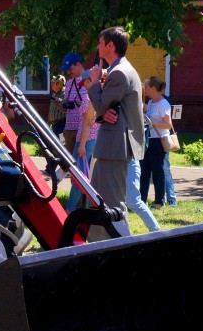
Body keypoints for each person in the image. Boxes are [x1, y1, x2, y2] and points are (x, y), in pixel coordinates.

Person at [82, 26, 145, 240]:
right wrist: (104, 112)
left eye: (100, 42)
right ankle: (98, 245)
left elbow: (100, 106)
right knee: (98, 199)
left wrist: (93, 82)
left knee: (111, 202)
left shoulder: (118, 72)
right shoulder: (121, 69)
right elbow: (108, 110)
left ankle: (124, 246)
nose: (97, 46)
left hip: (115, 146)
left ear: (110, 45)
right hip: (113, 145)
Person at [66, 77, 100, 211]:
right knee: (87, 176)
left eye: (85, 83)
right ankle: (86, 207)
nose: (83, 87)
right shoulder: (100, 97)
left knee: (79, 178)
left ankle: (70, 209)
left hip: (85, 141)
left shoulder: (88, 98)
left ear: (91, 81)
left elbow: (87, 122)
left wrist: (81, 145)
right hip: (93, 139)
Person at [140, 76, 173, 207]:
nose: (144, 89)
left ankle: (159, 201)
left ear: (153, 88)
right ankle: (142, 200)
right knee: (144, 171)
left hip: (158, 141)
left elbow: (168, 125)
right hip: (148, 139)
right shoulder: (150, 102)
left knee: (157, 171)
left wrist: (152, 122)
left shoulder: (163, 104)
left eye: (146, 86)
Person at [60, 52, 88, 157]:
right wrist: (61, 104)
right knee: (66, 159)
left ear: (78, 64)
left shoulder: (89, 80)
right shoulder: (68, 83)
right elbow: (65, 107)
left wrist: (79, 104)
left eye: (70, 68)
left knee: (80, 161)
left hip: (82, 129)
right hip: (68, 128)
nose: (68, 71)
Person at [127, 157, 160, 232]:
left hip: (129, 162)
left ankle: (155, 230)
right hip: (113, 163)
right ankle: (124, 234)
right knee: (116, 202)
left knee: (133, 200)